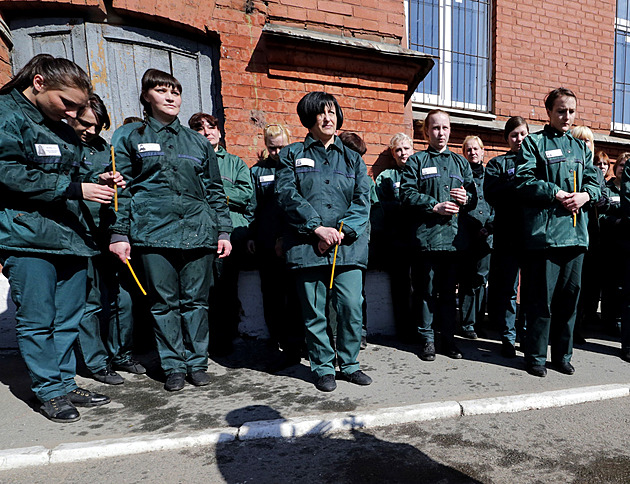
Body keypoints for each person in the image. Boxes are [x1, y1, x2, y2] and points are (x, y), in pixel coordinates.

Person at [0, 54, 118, 422]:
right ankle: (49, 391)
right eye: (67, 103)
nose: (72, 114)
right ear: (38, 83)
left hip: (70, 235)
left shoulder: (60, 124)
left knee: (68, 318)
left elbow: (72, 171)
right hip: (26, 234)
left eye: (79, 107)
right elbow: (7, 172)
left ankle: (65, 383)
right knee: (37, 319)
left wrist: (96, 182)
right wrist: (72, 188)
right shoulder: (6, 114)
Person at [110, 69, 232, 391]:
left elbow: (214, 190)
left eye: (175, 92)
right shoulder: (130, 137)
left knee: (196, 301)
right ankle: (173, 365)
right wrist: (119, 234)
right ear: (146, 97)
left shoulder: (197, 142)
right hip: (152, 232)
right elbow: (120, 189)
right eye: (162, 91)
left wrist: (223, 231)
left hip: (198, 232)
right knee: (163, 303)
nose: (171, 97)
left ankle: (197, 362)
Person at [275, 91, 372, 392]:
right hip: (307, 246)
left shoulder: (353, 159)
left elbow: (362, 201)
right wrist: (317, 229)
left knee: (351, 306)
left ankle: (351, 363)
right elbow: (286, 195)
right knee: (314, 311)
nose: (328, 118)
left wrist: (340, 232)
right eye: (321, 113)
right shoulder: (290, 155)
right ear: (309, 118)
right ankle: (323, 367)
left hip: (347, 245)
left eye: (332, 112)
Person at [515, 88, 600, 377]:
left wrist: (586, 196)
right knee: (541, 301)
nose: (567, 117)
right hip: (546, 237)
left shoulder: (579, 148)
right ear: (549, 112)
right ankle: (536, 357)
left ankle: (562, 355)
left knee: (569, 300)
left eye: (571, 111)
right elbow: (524, 181)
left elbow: (595, 183)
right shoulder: (534, 144)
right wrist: (555, 192)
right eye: (561, 111)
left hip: (576, 236)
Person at [69, 93, 144, 385]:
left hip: (108, 233)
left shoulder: (106, 148)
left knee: (122, 300)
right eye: (86, 124)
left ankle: (121, 354)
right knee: (90, 302)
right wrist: (93, 180)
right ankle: (97, 363)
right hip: (77, 234)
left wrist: (118, 183)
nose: (91, 131)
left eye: (97, 126)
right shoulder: (64, 144)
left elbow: (121, 193)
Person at [400, 109, 477, 361]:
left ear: (450, 130)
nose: (440, 132)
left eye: (444, 128)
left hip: (453, 242)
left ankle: (448, 339)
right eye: (435, 128)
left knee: (447, 293)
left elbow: (473, 195)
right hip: (425, 240)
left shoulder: (460, 162)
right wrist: (434, 206)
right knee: (424, 291)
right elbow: (407, 194)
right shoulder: (416, 161)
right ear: (426, 132)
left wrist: (467, 198)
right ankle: (427, 339)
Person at [189, 112, 255, 355]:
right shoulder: (191, 161)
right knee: (200, 291)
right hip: (200, 233)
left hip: (231, 233)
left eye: (211, 127)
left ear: (219, 131)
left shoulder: (235, 163)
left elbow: (245, 194)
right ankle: (200, 342)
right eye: (200, 129)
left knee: (226, 290)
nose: (207, 133)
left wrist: (216, 192)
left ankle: (225, 339)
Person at [247, 124, 302, 369]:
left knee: (297, 296)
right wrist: (251, 235)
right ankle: (277, 341)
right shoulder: (257, 172)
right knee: (271, 296)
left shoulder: (299, 168)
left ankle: (300, 343)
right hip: (266, 243)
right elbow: (252, 206)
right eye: (272, 148)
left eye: (282, 146)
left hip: (294, 240)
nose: (277, 152)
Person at [484, 116, 529, 358]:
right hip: (507, 234)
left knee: (532, 289)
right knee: (509, 288)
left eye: (523, 134)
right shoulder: (497, 164)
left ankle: (527, 334)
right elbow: (492, 192)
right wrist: (517, 183)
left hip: (534, 234)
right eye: (514, 135)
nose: (519, 139)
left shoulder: (537, 160)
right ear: (507, 139)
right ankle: (508, 336)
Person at [375, 133, 415, 340]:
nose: (403, 153)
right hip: (397, 241)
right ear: (393, 153)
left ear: (412, 149)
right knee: (400, 287)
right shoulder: (386, 177)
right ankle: (404, 331)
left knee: (421, 286)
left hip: (419, 240)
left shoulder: (419, 172)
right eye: (398, 150)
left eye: (406, 148)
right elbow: (381, 207)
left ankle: (422, 329)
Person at [571, 127, 609, 341]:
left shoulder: (595, 171)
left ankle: (576, 328)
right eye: (581, 140)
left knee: (583, 286)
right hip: (568, 232)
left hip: (590, 234)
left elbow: (603, 199)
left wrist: (588, 195)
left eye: (589, 141)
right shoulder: (568, 165)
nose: (586, 144)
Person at [338, 131, 371, 349]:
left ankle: (359, 333)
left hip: (355, 244)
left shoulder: (363, 177)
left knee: (356, 296)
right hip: (332, 241)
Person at [458, 135, 493, 340]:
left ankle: (480, 321)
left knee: (482, 279)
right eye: (468, 149)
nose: (472, 152)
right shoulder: (461, 177)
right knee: (467, 281)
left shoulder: (491, 176)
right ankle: (467, 323)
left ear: (482, 151)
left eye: (476, 149)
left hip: (487, 235)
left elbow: (497, 203)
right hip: (466, 235)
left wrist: (489, 227)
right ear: (464, 153)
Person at [601, 153, 630, 337]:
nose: (623, 168)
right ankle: (609, 321)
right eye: (621, 165)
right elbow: (602, 214)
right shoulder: (608, 187)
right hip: (611, 242)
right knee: (611, 286)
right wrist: (620, 221)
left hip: (626, 240)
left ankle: (620, 320)